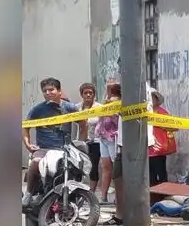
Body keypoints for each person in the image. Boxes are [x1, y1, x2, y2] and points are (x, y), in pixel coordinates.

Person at [22, 77, 85, 205]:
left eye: (51, 90)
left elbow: (83, 123)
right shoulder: (38, 109)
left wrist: (81, 141)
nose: (48, 93)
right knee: (35, 162)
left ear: (59, 91)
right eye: (45, 91)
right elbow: (25, 127)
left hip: (65, 149)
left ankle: (76, 197)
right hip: (44, 149)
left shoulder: (69, 107)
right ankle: (28, 193)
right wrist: (28, 144)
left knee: (79, 168)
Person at [93, 82, 121, 203]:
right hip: (103, 136)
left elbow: (116, 118)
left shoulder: (118, 102)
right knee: (105, 167)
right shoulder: (106, 101)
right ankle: (103, 196)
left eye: (110, 88)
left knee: (115, 168)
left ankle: (117, 197)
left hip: (113, 137)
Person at [147, 88, 177, 186]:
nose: (150, 100)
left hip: (159, 150)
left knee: (161, 174)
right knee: (151, 176)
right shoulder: (144, 113)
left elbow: (174, 127)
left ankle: (163, 195)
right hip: (148, 150)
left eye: (152, 97)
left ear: (156, 99)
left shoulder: (162, 112)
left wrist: (159, 124)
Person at [79, 82, 102, 191]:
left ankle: (92, 191)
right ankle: (79, 190)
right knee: (79, 166)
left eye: (90, 93)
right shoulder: (76, 108)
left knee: (93, 166)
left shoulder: (100, 108)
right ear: (82, 94)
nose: (88, 95)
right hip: (80, 142)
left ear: (94, 94)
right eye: (85, 93)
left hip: (95, 142)